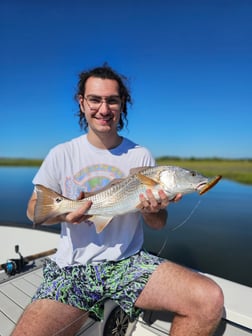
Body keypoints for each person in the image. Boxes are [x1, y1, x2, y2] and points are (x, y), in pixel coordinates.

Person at [12, 64, 224, 336]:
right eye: (95, 99)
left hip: (128, 262)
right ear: (81, 102)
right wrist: (66, 213)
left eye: (112, 100)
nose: (103, 109)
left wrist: (152, 211)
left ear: (122, 104)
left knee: (209, 299)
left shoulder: (141, 156)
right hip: (72, 269)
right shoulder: (60, 154)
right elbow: (33, 210)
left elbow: (158, 224)